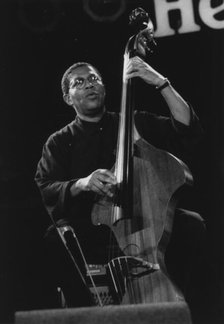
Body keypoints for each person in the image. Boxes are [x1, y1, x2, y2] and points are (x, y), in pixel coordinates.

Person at [35, 57, 205, 308]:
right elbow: (46, 185)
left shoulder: (134, 123)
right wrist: (82, 183)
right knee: (54, 239)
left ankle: (177, 302)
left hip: (143, 222)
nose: (89, 85)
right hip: (94, 232)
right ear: (68, 98)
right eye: (79, 82)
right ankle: (85, 312)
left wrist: (161, 83)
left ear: (104, 87)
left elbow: (186, 127)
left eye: (94, 79)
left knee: (192, 224)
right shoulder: (59, 141)